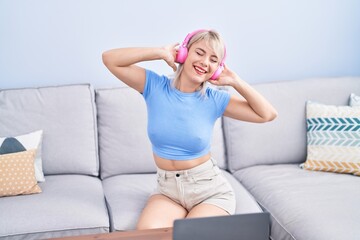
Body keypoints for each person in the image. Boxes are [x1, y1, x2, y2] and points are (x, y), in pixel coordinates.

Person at [102, 29, 277, 230]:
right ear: (184, 53)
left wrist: (235, 81)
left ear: (217, 68)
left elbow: (267, 114)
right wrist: (160, 52)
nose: (205, 62)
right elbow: (109, 59)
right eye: (200, 52)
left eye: (213, 59)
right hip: (168, 191)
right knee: (146, 236)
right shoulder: (154, 86)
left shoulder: (215, 99)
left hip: (209, 191)